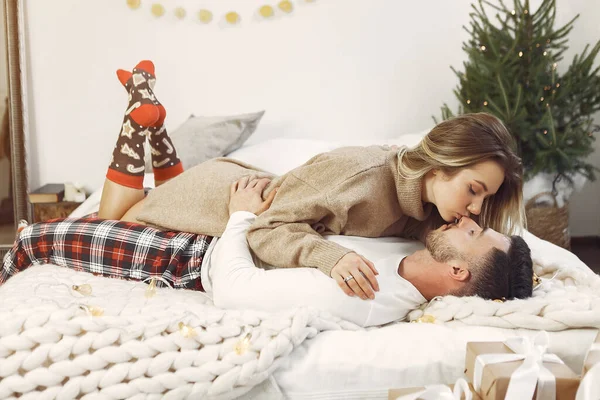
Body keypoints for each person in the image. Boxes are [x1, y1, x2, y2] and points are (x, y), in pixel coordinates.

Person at [1, 173, 534, 327]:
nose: (467, 218)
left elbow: (236, 290)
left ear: (459, 270)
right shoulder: (412, 246)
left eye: (473, 231)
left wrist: (239, 217)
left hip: (191, 260)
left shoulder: (362, 292)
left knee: (36, 239)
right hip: (224, 231)